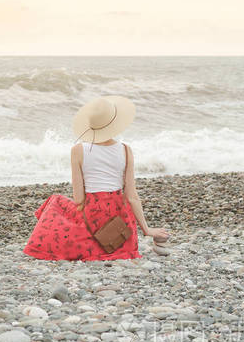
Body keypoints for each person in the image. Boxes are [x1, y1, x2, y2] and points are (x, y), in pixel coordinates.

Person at [23, 95, 170, 261]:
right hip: (121, 222)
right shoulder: (125, 150)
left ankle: (84, 241)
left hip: (92, 212)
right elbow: (132, 196)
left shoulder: (78, 150)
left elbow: (79, 199)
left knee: (55, 201)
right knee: (117, 222)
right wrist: (147, 229)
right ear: (114, 123)